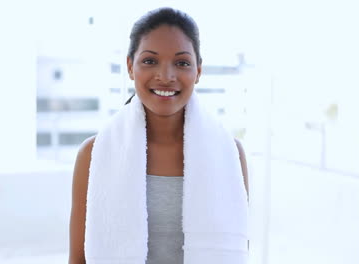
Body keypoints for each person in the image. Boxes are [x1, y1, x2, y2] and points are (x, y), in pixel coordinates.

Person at [69, 7, 249, 264]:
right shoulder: (93, 154)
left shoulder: (231, 154)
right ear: (131, 67)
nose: (166, 76)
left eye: (182, 63)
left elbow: (238, 251)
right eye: (150, 61)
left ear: (198, 71)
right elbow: (78, 258)